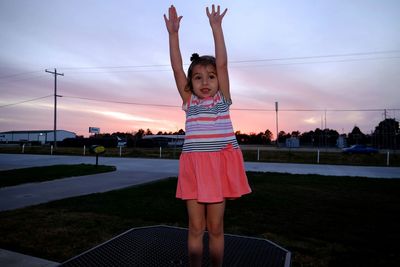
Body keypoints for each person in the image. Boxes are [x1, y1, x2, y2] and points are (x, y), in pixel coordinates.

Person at [164, 4, 251, 267]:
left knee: (215, 228)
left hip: (218, 167)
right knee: (195, 227)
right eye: (198, 77)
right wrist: (173, 35)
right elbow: (178, 69)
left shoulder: (223, 101)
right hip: (194, 167)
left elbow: (223, 64)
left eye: (211, 77)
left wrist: (216, 28)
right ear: (191, 84)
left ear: (218, 81)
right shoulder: (189, 102)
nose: (205, 82)